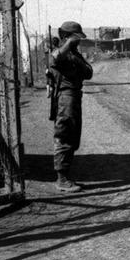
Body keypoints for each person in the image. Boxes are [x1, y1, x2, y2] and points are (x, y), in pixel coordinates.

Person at [49, 21, 94, 192]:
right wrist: (68, 43)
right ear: (67, 37)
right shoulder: (59, 51)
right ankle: (62, 179)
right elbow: (55, 58)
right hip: (65, 97)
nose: (79, 42)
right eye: (76, 38)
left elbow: (89, 73)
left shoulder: (74, 54)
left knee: (73, 137)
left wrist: (77, 57)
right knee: (65, 135)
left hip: (74, 96)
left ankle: (65, 175)